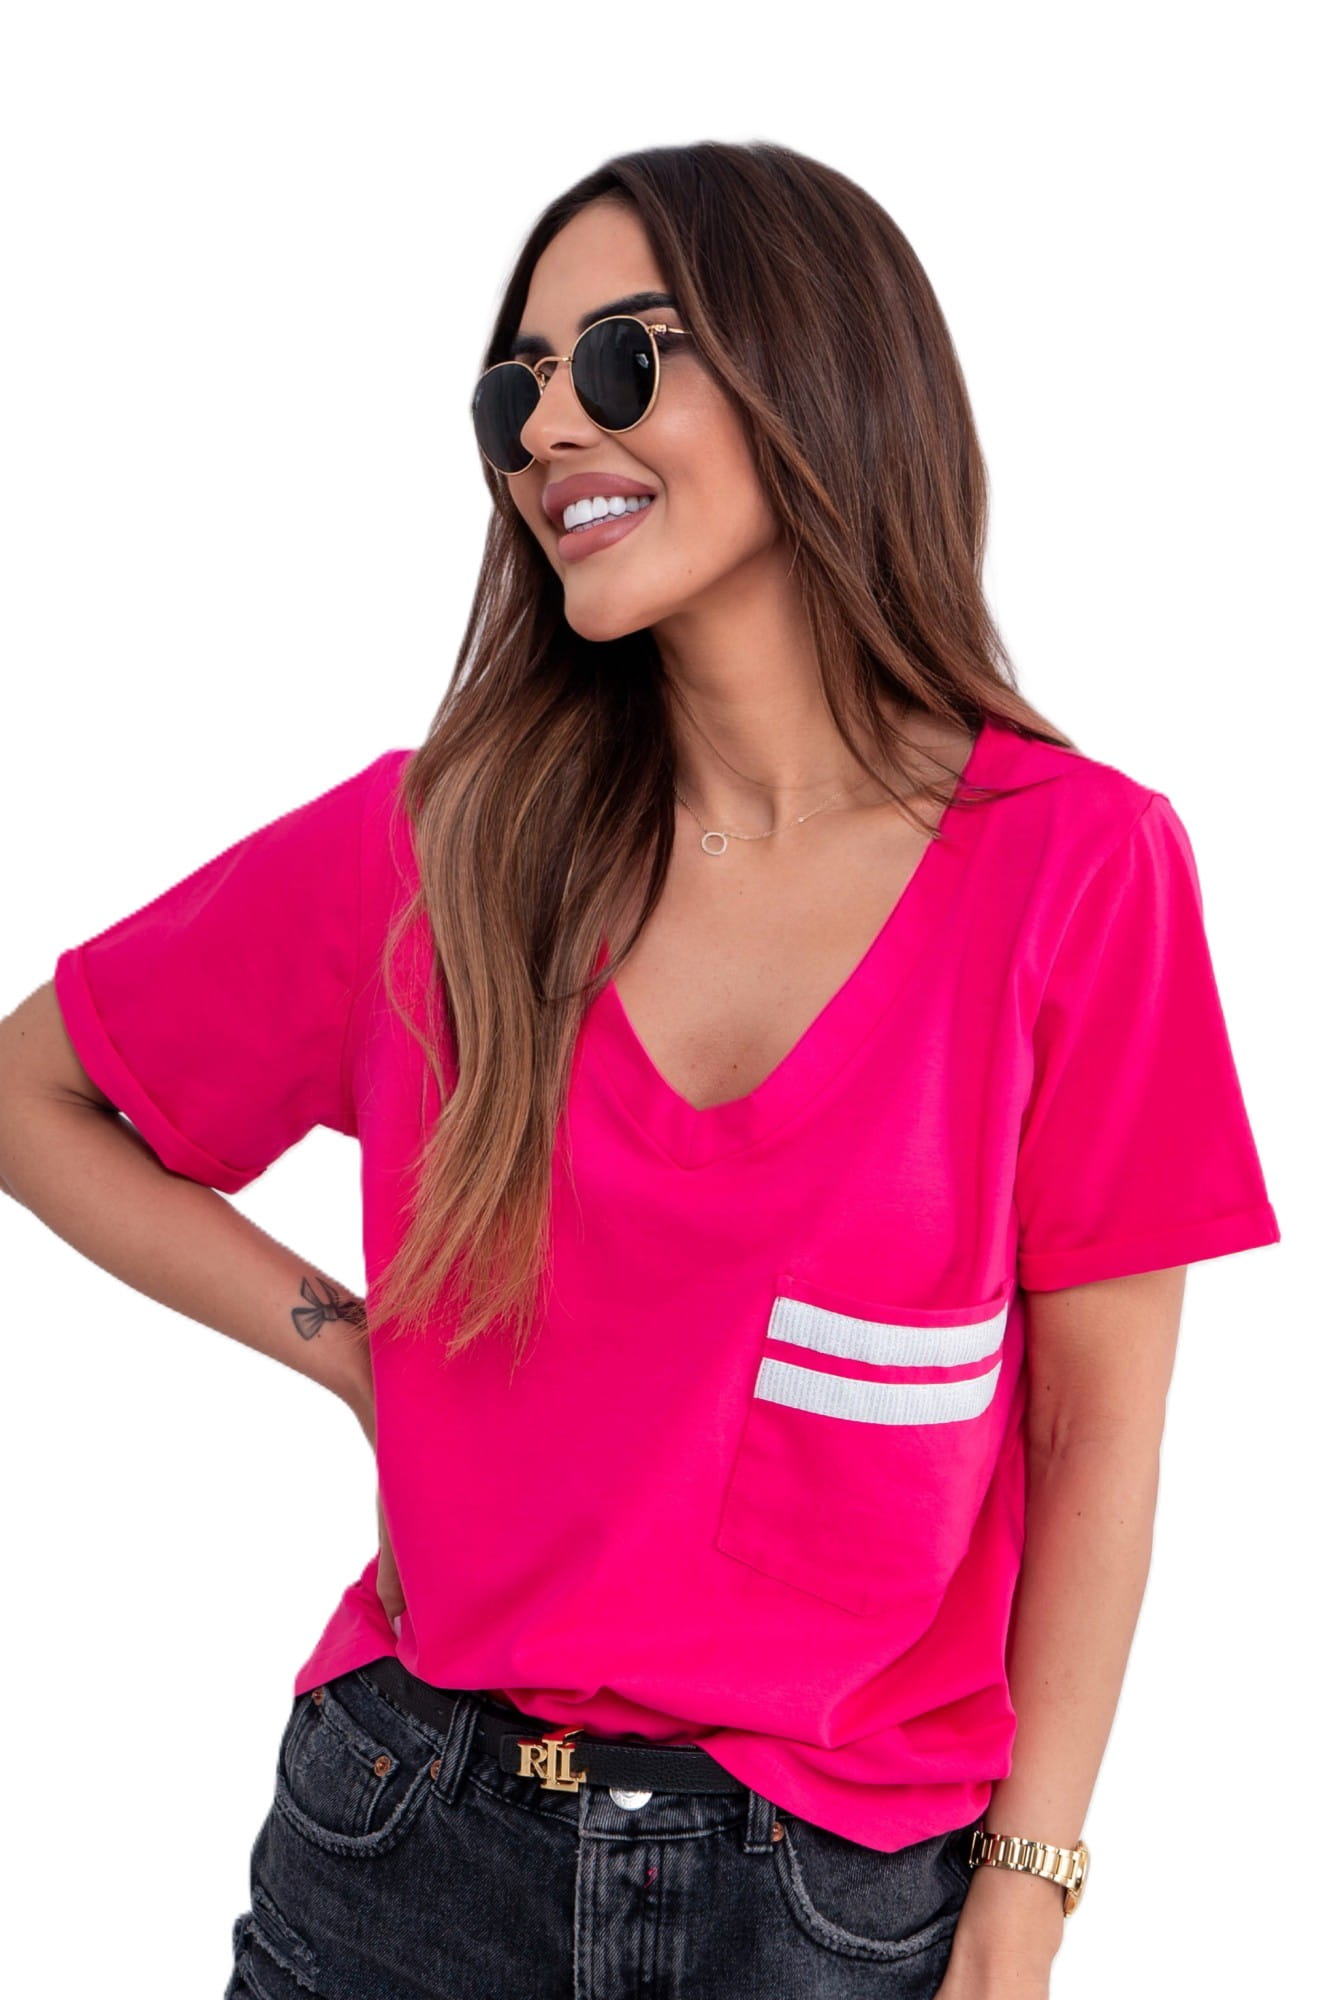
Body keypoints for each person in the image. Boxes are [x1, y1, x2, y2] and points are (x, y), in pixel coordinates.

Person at [0, 139, 1280, 2000]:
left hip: (835, 1906)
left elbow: (1102, 1434)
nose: (545, 431)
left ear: (815, 369)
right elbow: (33, 1094)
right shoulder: (433, 848)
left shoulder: (1078, 870)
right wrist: (348, 1351)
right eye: (514, 389)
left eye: (619, 359)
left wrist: (1030, 1888)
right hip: (407, 1848)